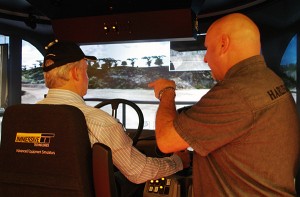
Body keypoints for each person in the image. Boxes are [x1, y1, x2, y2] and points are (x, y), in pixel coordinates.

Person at [148, 13, 300, 196]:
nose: (205, 58)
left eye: (207, 48)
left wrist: (167, 92)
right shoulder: (271, 81)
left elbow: (166, 141)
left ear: (223, 44)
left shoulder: (236, 92)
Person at [37, 40, 190, 197]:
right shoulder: (98, 122)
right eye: (86, 71)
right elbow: (140, 173)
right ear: (75, 73)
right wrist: (177, 161)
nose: (87, 77)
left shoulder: (19, 119)